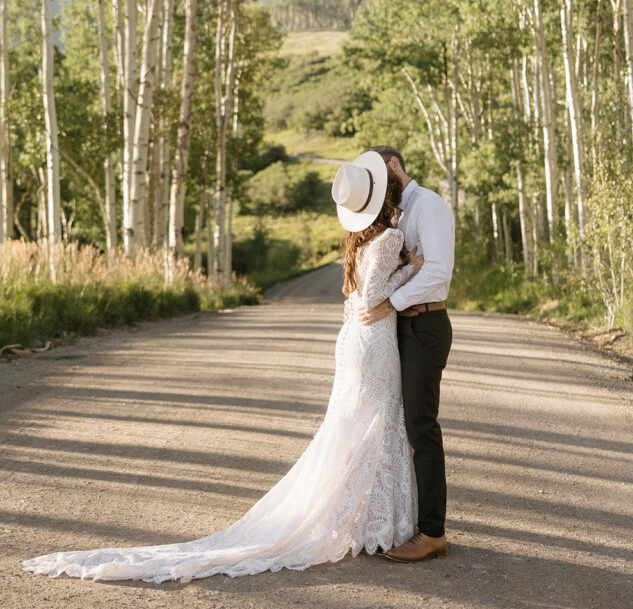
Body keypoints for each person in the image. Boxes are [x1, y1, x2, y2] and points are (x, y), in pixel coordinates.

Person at [22, 150, 424, 584]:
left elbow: (355, 300)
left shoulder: (360, 241)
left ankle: (368, 522)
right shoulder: (389, 241)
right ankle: (380, 526)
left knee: (357, 425)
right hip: (373, 343)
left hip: (355, 344)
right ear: (384, 197)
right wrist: (412, 271)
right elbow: (370, 304)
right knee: (376, 421)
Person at [357, 145, 454, 564]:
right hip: (403, 326)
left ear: (394, 165)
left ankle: (433, 533)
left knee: (420, 426)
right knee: (399, 425)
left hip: (425, 326)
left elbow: (437, 269)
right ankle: (406, 521)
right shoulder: (399, 214)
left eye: (381, 181)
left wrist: (389, 304)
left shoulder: (429, 204)